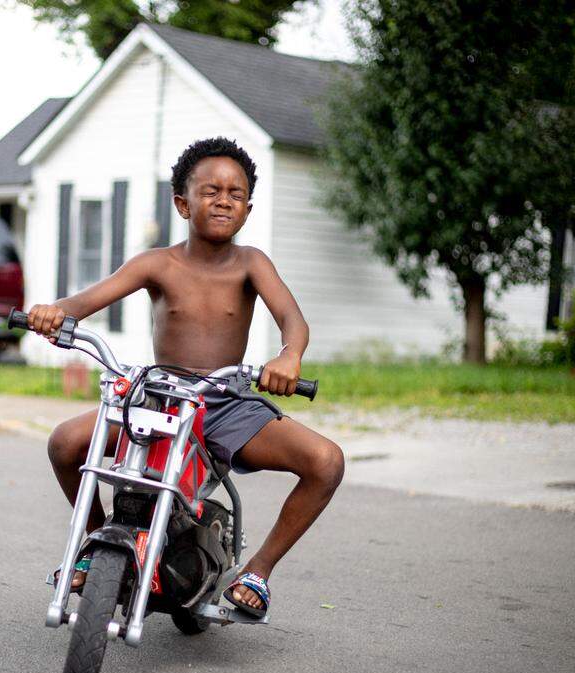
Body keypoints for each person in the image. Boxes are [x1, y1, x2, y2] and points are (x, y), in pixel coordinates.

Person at [25, 136, 345, 617]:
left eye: (235, 194)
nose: (223, 200)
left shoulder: (252, 263)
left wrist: (289, 355)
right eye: (210, 190)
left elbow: (291, 319)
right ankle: (94, 546)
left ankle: (256, 571)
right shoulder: (157, 263)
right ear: (182, 203)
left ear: (248, 208)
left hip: (224, 402)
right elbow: (90, 299)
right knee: (65, 443)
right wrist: (55, 313)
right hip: (157, 397)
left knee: (326, 461)